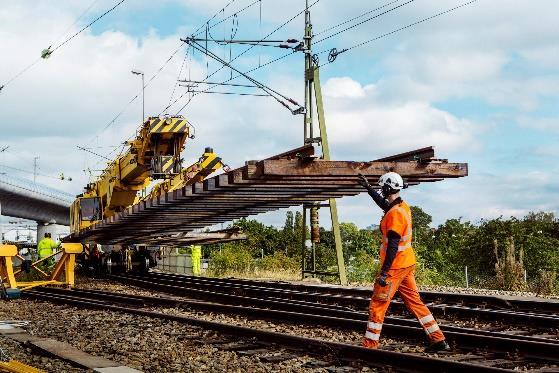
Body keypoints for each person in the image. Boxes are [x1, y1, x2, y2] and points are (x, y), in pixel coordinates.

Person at [358, 172, 450, 352]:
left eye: (380, 188)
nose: (380, 191)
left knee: (378, 304)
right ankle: (438, 340)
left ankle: (369, 346)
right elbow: (385, 205)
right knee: (415, 302)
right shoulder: (402, 207)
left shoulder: (394, 214)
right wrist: (369, 189)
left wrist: (384, 272)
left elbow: (392, 246)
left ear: (386, 188)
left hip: (395, 267)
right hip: (407, 264)